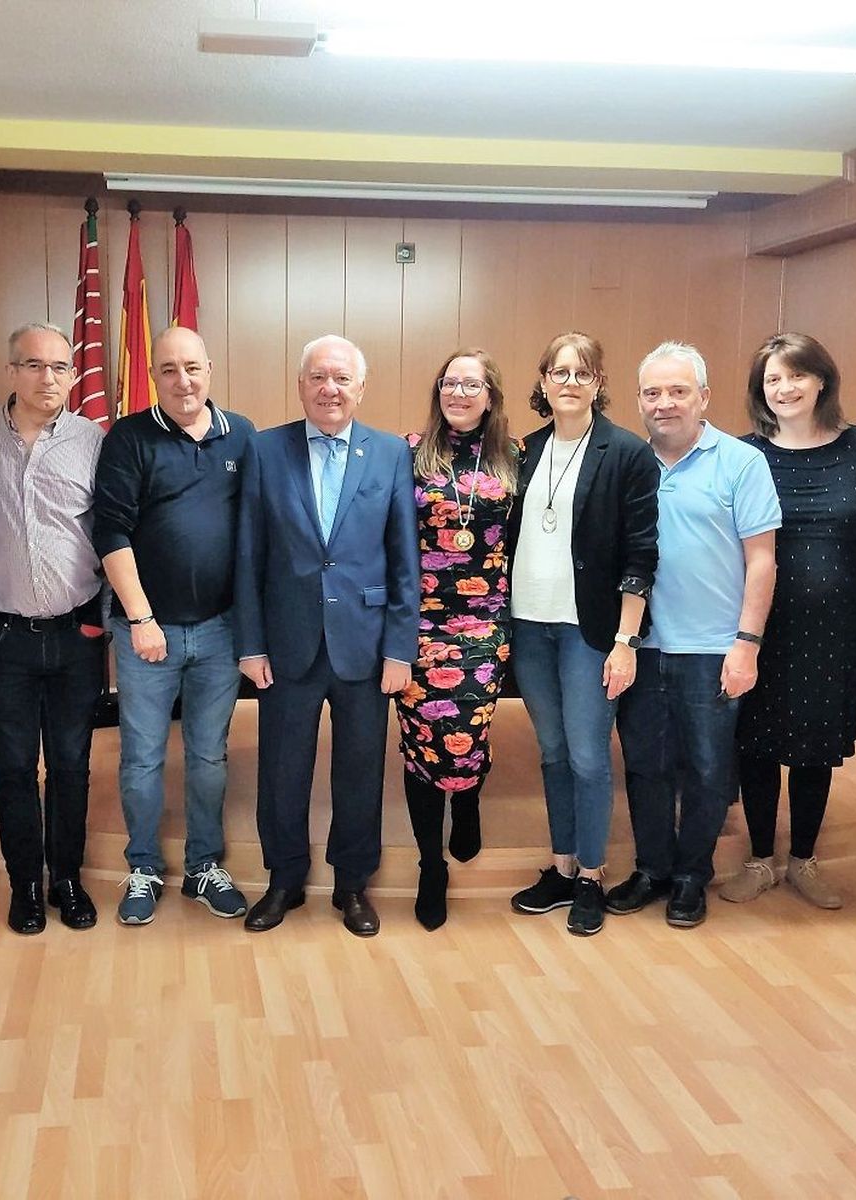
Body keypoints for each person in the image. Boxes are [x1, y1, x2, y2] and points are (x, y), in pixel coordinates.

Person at [236, 334, 419, 937]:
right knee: (282, 769)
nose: (329, 388)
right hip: (287, 644)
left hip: (365, 646)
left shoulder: (390, 453)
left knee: (361, 771)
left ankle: (351, 885)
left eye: (341, 378)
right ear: (300, 385)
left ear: (360, 388)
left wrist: (399, 649)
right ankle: (284, 880)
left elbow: (403, 560)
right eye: (318, 377)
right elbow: (249, 557)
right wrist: (251, 642)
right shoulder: (266, 449)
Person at [607, 341, 781, 929]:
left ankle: (690, 877)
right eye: (652, 393)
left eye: (678, 391)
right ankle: (653, 868)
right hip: (641, 646)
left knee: (708, 770)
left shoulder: (741, 463)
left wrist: (747, 643)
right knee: (644, 766)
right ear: (638, 401)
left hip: (713, 649)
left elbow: (762, 561)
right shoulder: (624, 462)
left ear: (704, 397)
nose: (664, 404)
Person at [92, 326, 254, 926]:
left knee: (210, 758)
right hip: (146, 634)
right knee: (141, 758)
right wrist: (140, 617)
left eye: (192, 368)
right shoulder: (130, 438)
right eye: (168, 370)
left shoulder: (242, 434)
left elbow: (254, 531)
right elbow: (109, 531)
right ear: (153, 377)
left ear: (209, 369)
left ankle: (204, 866)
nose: (182, 381)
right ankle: (142, 867)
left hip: (220, 630)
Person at [507, 333, 659, 937]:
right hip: (529, 625)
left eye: (583, 372)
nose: (569, 381)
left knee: (590, 755)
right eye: (559, 371)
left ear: (599, 382)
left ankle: (592, 874)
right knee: (552, 752)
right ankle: (562, 865)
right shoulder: (523, 450)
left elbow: (642, 553)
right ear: (542, 380)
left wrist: (626, 640)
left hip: (590, 631)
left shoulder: (625, 453)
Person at [722, 333, 856, 910]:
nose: (784, 388)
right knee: (757, 742)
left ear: (821, 380)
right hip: (762, 619)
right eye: (772, 379)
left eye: (795, 375)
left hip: (836, 617)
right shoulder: (744, 453)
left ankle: (804, 860)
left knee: (817, 744)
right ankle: (761, 859)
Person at [0, 322, 106, 935]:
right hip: (4, 635)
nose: (48, 378)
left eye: (59, 367)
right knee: (14, 766)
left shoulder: (93, 440)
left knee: (72, 763)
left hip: (77, 634)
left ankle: (66, 879)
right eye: (34, 365)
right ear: (11, 371)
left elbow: (112, 529)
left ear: (72, 374)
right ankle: (25, 883)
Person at [395, 349, 517, 931]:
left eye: (472, 384)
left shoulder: (516, 459)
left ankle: (466, 800)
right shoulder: (409, 453)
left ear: (491, 395)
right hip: (421, 625)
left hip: (486, 625)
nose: (460, 392)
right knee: (422, 743)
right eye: (450, 382)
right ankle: (429, 865)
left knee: (469, 734)